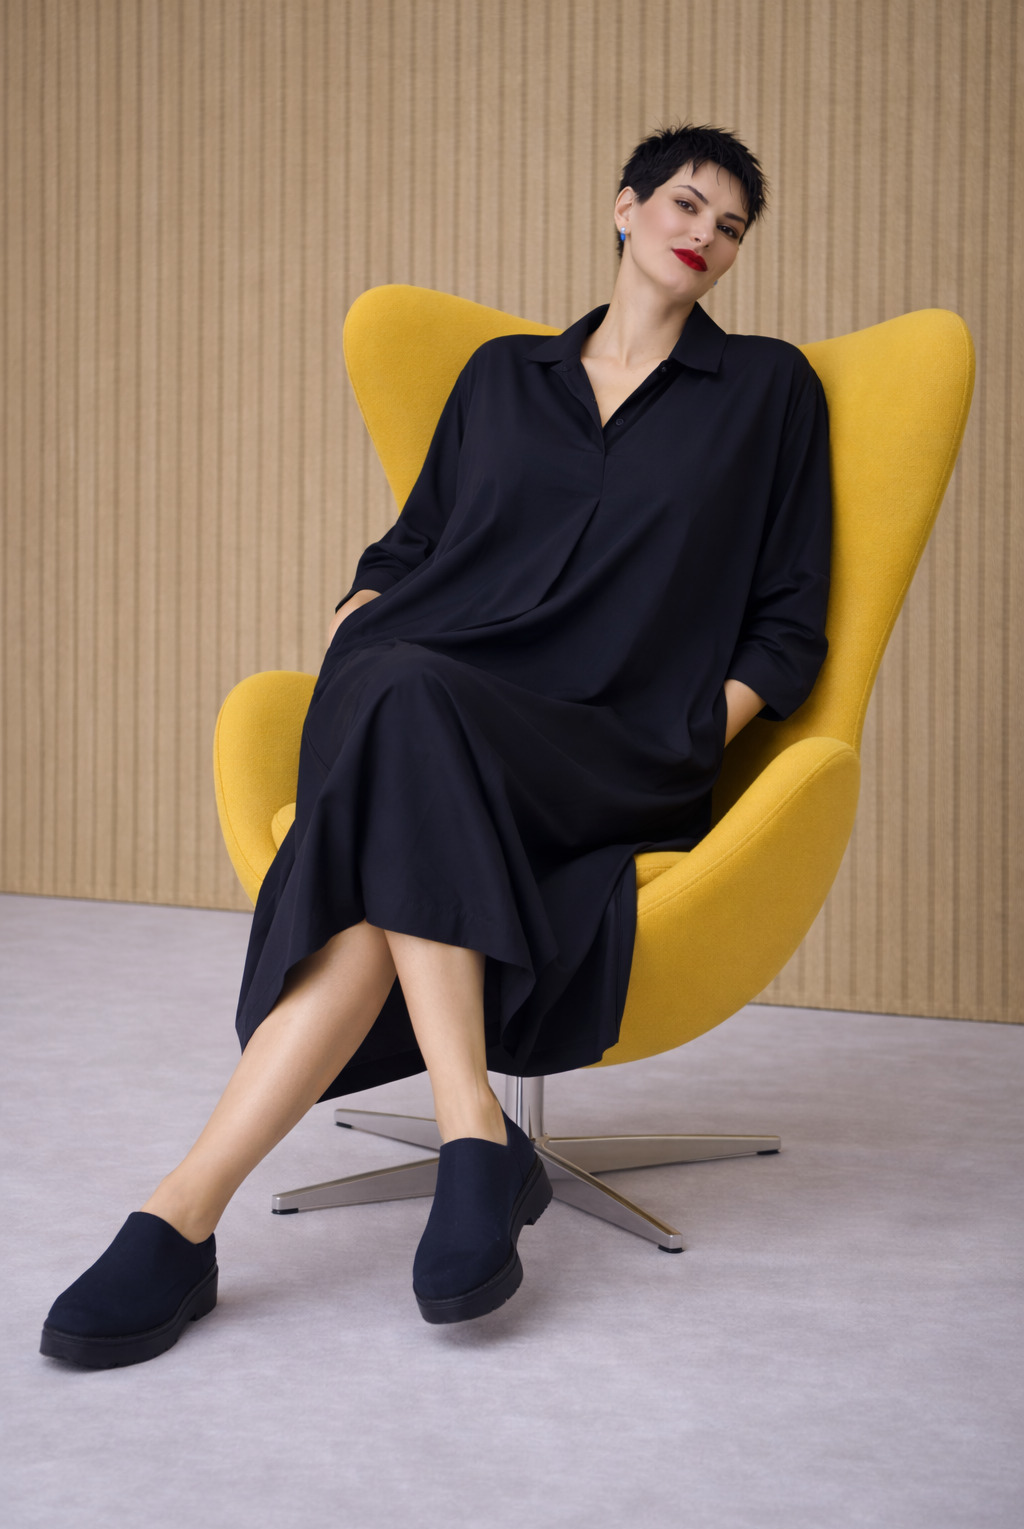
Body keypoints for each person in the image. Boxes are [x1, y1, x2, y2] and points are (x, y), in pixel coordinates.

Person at [40, 123, 831, 1367]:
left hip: (606, 745)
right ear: (624, 207)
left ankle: (246, 1206)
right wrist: (363, 610)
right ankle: (206, 1203)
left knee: (400, 740)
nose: (705, 234)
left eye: (730, 227)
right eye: (687, 203)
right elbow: (411, 546)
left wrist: (690, 731)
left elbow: (789, 623)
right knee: (405, 720)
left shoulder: (769, 391)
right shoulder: (501, 377)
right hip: (436, 695)